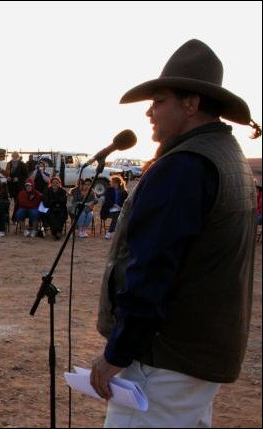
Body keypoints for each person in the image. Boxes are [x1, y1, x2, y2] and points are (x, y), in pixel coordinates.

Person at [92, 39, 259, 428]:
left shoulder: (184, 167)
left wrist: (118, 351)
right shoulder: (227, 156)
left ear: (191, 103)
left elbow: (152, 270)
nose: (150, 112)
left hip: (163, 359)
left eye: (160, 100)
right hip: (196, 357)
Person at [100, 175, 128, 240]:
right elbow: (107, 201)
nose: (110, 183)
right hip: (108, 210)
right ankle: (110, 232)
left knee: (120, 214)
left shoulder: (124, 192)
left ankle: (113, 232)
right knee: (117, 215)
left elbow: (126, 202)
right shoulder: (109, 190)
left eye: (111, 182)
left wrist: (121, 207)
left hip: (120, 210)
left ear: (116, 183)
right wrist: (115, 205)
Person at [5, 151, 28, 221]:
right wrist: (7, 177)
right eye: (13, 156)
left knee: (17, 203)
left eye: (16, 156)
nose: (14, 157)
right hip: (9, 186)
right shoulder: (8, 164)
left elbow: (26, 176)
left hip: (18, 187)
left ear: (18, 157)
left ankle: (14, 218)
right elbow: (4, 173)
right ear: (11, 156)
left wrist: (18, 179)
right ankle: (6, 218)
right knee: (6, 203)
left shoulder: (23, 165)